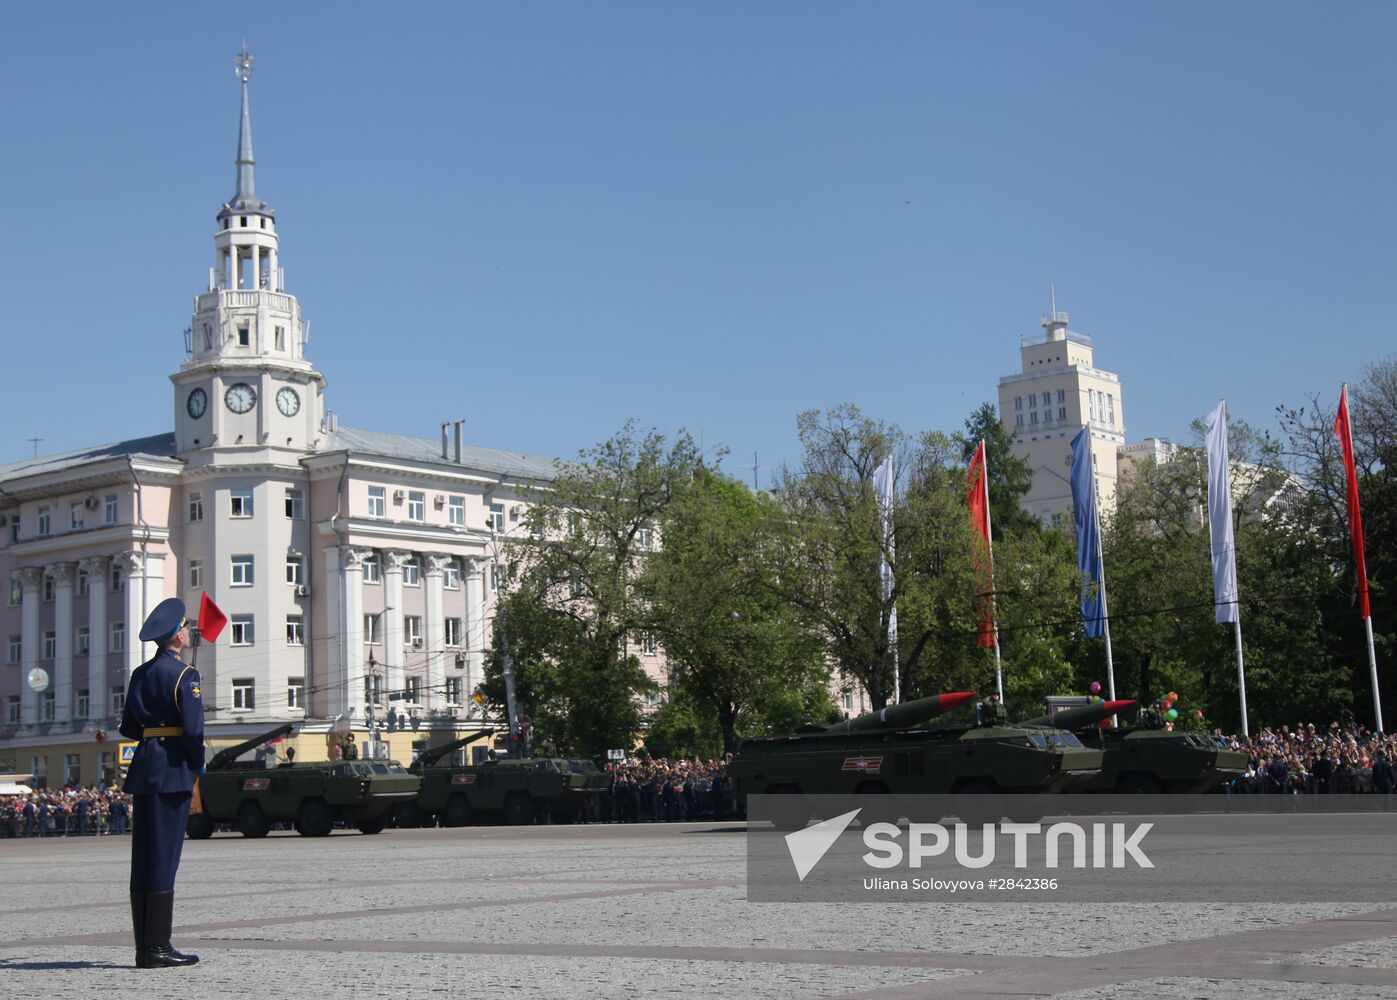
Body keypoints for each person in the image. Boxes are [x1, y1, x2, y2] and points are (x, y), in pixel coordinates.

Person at [118, 597, 204, 969]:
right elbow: (194, 730)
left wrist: (153, 733)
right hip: (173, 769)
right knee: (165, 859)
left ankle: (145, 947)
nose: (187, 631)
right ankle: (158, 947)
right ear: (177, 635)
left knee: (144, 857)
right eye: (185, 626)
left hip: (145, 767)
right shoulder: (186, 675)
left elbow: (128, 727)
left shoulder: (140, 674)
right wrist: (197, 763)